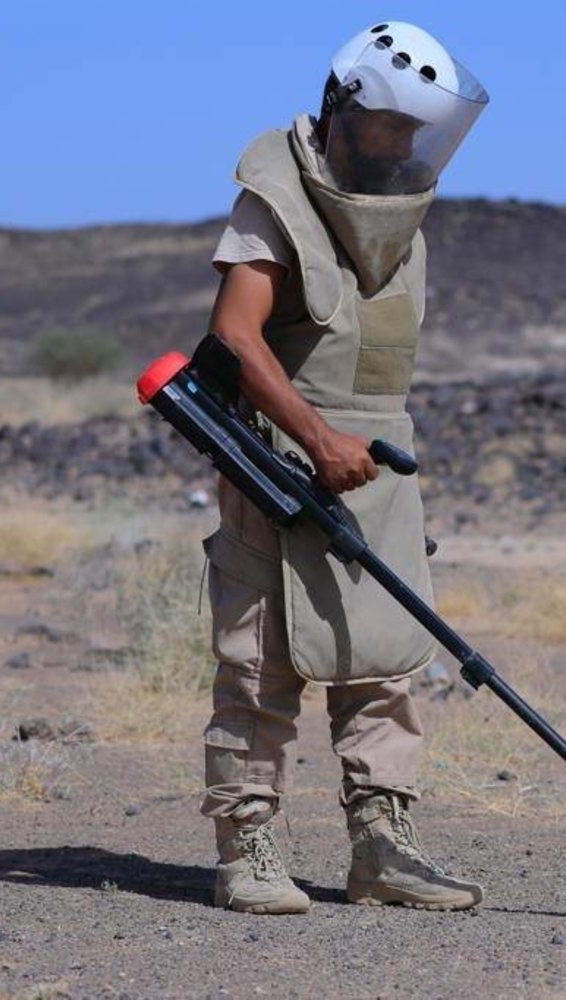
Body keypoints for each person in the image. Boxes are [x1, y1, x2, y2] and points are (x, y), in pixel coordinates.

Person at [199, 21, 489, 915]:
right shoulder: (274, 201)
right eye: (389, 128)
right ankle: (248, 846)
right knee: (262, 663)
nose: (402, 148)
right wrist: (318, 441)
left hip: (377, 474)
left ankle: (383, 847)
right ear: (342, 110)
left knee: (385, 659)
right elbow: (234, 339)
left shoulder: (403, 224)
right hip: (277, 467)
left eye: (415, 133)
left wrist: (356, 450)